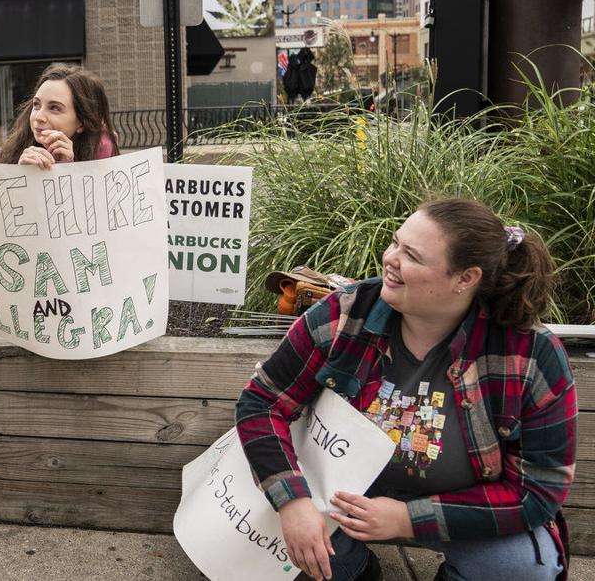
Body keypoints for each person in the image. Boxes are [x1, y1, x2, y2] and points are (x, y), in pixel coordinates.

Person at [236, 197, 576, 581]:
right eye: (395, 242)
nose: (390, 258)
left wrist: (408, 519)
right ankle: (355, 569)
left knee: (521, 571)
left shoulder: (530, 354)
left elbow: (538, 492)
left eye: (412, 256)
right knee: (267, 539)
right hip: (334, 498)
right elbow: (261, 402)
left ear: (465, 278)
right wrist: (293, 502)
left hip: (461, 510)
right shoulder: (346, 314)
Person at [0, 63, 120, 169]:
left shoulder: (102, 154)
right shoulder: (16, 147)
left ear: (82, 122)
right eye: (36, 104)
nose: (38, 116)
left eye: (54, 108)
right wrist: (21, 175)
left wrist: (65, 167)